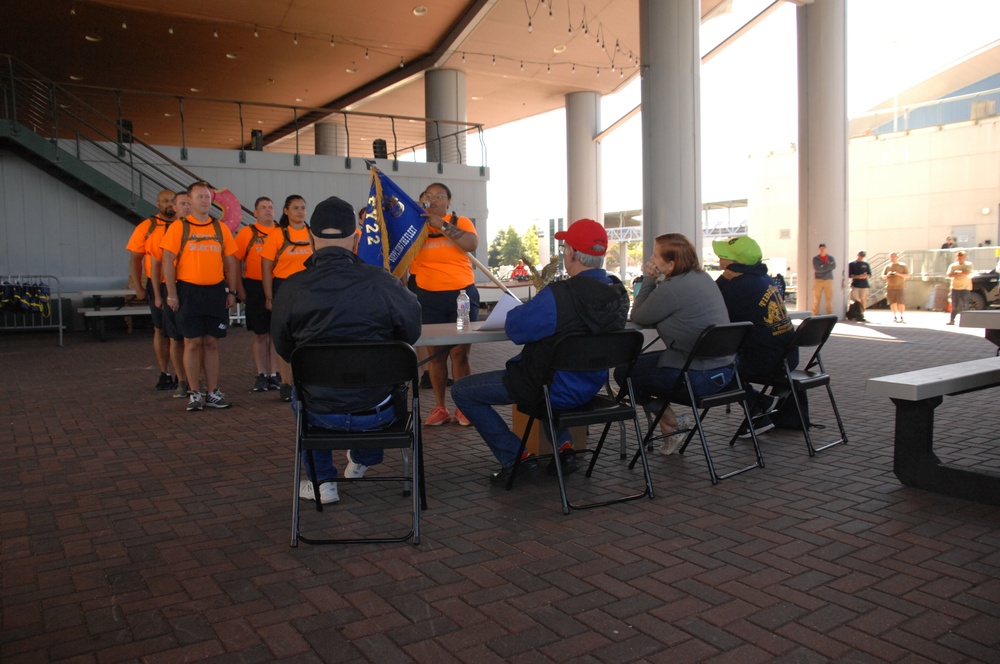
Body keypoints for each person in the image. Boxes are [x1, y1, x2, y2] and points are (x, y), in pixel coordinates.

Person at [452, 219, 629, 484]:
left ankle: (516, 458)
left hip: (550, 389)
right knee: (553, 372)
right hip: (591, 386)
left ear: (570, 254)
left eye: (565, 247)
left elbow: (515, 329)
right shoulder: (618, 293)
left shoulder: (559, 295)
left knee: (463, 391)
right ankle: (564, 447)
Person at [271, 196, 422, 505]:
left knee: (303, 389)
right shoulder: (384, 283)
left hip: (319, 413)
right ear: (356, 238)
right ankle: (366, 453)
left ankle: (323, 481)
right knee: (379, 386)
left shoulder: (291, 287)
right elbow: (412, 332)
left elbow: (285, 349)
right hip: (379, 414)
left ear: (310, 238)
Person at [615, 233, 733, 454]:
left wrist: (649, 279)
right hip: (724, 370)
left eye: (655, 255)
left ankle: (671, 422)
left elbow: (639, 315)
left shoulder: (672, 288)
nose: (651, 259)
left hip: (697, 374)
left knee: (624, 373)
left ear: (671, 264)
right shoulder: (702, 278)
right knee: (639, 367)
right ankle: (670, 424)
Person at [161, 181, 242, 411]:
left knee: (211, 343)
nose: (205, 201)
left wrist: (232, 291)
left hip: (215, 291)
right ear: (190, 201)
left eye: (207, 197)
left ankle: (213, 391)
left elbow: (231, 262)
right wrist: (172, 294)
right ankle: (194, 392)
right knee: (192, 342)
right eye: (199, 197)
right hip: (188, 292)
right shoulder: (179, 227)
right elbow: (167, 260)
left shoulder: (221, 229)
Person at [409, 182, 480, 427]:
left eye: (440, 196)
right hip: (428, 298)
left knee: (459, 353)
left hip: (461, 296)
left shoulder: (460, 222)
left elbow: (471, 244)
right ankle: (440, 408)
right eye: (429, 195)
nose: (435, 199)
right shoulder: (416, 226)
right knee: (435, 355)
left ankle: (463, 407)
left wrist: (443, 225)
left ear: (448, 202)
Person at [713, 236, 797, 436]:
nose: (718, 258)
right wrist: (725, 277)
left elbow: (712, 305)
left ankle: (756, 405)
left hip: (764, 361)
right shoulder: (764, 279)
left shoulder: (738, 287)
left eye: (723, 255)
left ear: (736, 263)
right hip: (787, 357)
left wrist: (724, 279)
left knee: (712, 366)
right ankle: (760, 405)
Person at [125, 189, 178, 390]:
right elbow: (135, 259)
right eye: (165, 201)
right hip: (159, 284)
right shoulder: (147, 227)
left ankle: (182, 374)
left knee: (181, 333)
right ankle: (165, 372)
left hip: (182, 283)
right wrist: (138, 286)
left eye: (173, 200)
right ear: (157, 203)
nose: (170, 204)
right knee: (161, 329)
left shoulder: (185, 226)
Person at [261, 195, 311, 400]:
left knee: (307, 337)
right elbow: (266, 267)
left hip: (308, 289)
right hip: (283, 288)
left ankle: (304, 382)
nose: (300, 211)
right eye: (296, 208)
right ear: (286, 211)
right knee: (285, 336)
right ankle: (286, 383)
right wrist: (268, 296)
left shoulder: (312, 234)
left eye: (303, 208)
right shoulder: (276, 235)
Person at [235, 196, 280, 392]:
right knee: (261, 333)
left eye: (270, 207)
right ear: (255, 212)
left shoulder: (281, 232)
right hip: (255, 286)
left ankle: (275, 374)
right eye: (263, 208)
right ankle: (261, 373)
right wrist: (239, 288)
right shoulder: (247, 233)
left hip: (279, 285)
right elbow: (236, 262)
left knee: (276, 333)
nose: (268, 211)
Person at [946, 250, 973, 325]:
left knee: (965, 305)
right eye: (959, 257)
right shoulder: (953, 266)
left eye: (962, 257)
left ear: (964, 257)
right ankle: (952, 320)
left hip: (965, 287)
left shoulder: (968, 265)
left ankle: (967, 321)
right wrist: (959, 273)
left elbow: (968, 272)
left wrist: (958, 273)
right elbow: (949, 275)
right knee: (955, 305)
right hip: (955, 287)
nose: (960, 259)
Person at [883, 252, 910, 323]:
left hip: (900, 287)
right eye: (891, 257)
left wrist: (898, 274)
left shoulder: (902, 266)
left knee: (901, 302)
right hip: (890, 287)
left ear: (897, 257)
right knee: (892, 302)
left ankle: (902, 316)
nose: (893, 258)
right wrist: (887, 275)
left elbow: (907, 275)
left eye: (894, 256)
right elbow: (883, 276)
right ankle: (894, 316)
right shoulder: (887, 266)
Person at [812, 243, 836, 315]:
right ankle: (814, 315)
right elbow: (817, 269)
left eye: (823, 248)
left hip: (828, 280)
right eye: (821, 248)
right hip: (818, 280)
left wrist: (823, 267)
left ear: (826, 249)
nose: (822, 250)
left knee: (829, 299)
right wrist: (827, 268)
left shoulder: (831, 258)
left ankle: (829, 315)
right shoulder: (815, 259)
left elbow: (833, 266)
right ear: (819, 249)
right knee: (816, 299)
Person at [848, 250, 871, 322]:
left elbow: (869, 274)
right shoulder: (852, 264)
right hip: (855, 284)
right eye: (860, 255)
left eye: (862, 256)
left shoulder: (866, 264)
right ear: (857, 255)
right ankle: (854, 313)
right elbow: (849, 275)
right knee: (855, 299)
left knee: (863, 299)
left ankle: (861, 314)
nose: (861, 257)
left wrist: (865, 276)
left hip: (864, 285)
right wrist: (858, 276)